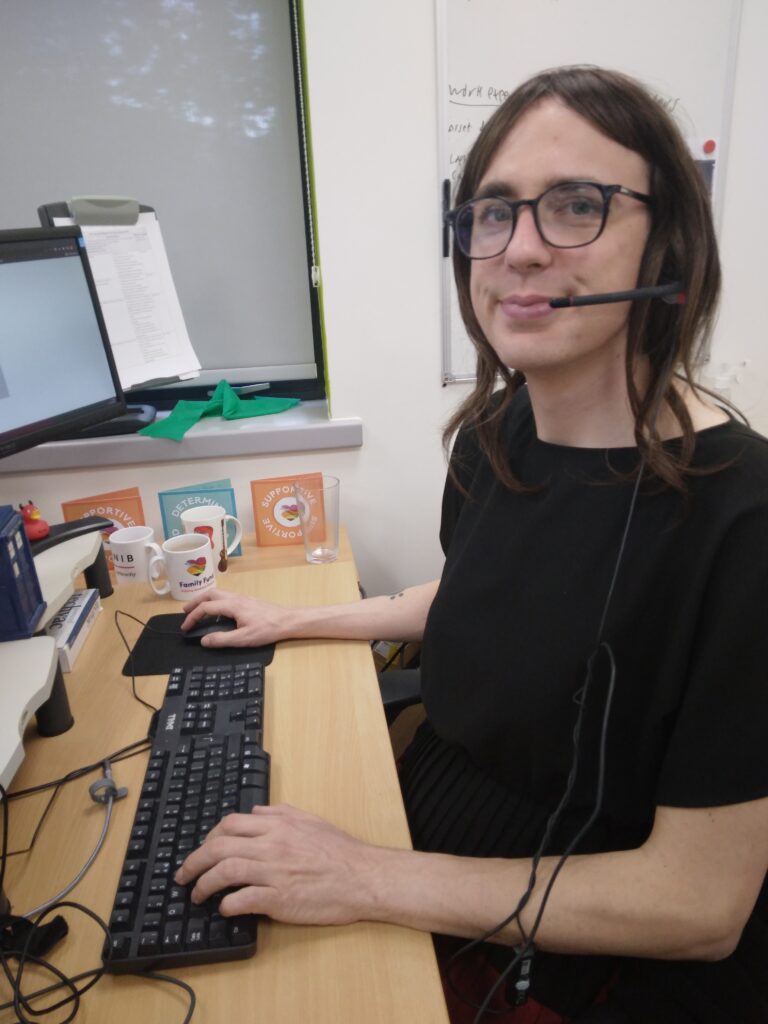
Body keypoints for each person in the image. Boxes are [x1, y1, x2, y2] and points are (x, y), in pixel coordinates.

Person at [175, 66, 768, 1023]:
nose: (520, 251)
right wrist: (297, 617)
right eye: (493, 212)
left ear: (671, 243)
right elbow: (480, 594)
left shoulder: (742, 521)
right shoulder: (499, 437)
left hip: (584, 948)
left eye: (577, 205)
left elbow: (699, 907)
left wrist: (366, 877)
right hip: (431, 853)